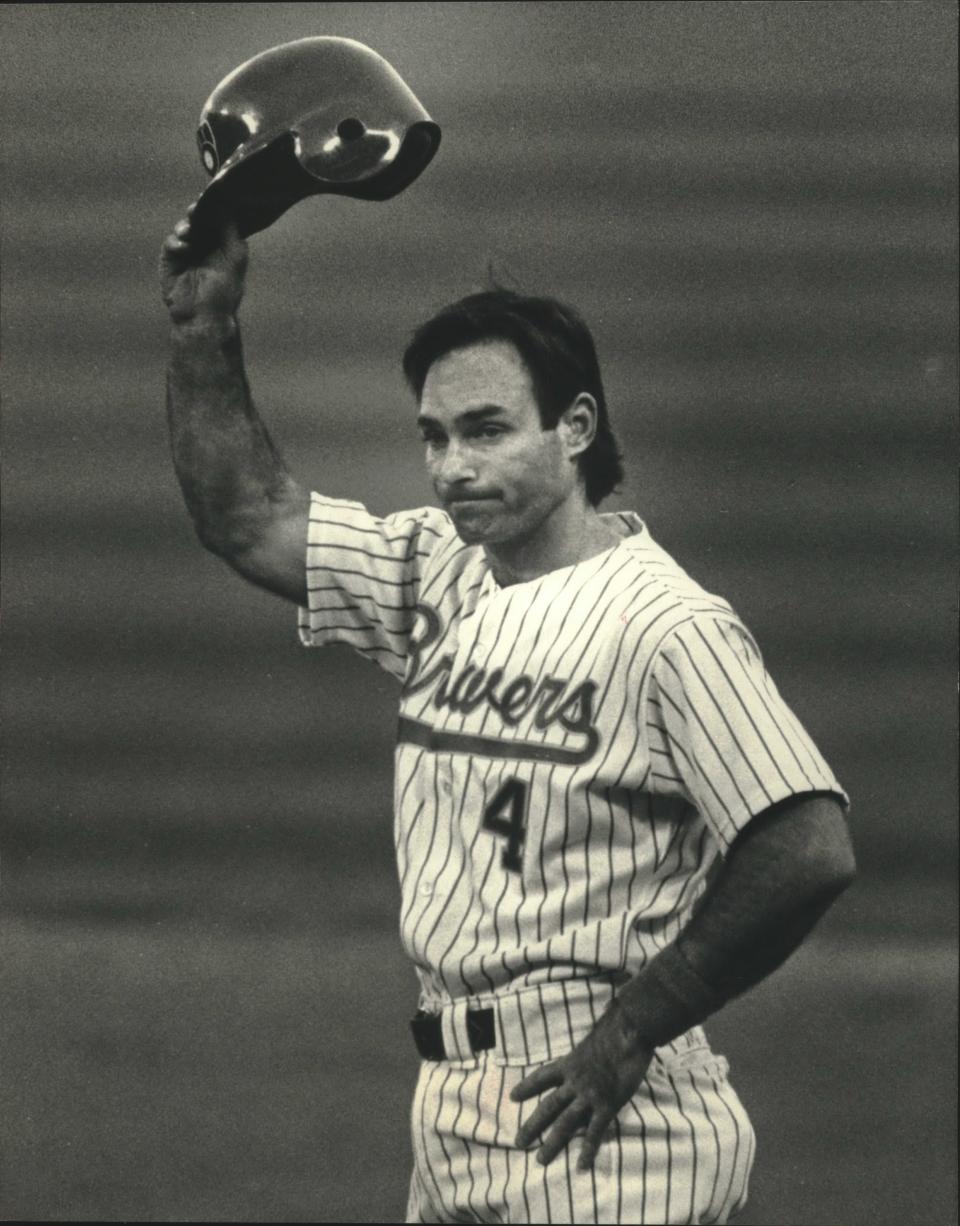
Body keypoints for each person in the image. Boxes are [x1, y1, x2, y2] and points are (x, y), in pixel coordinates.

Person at [159, 212, 855, 1225]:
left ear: (574, 429)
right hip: (450, 1112)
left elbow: (807, 842)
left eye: (486, 429)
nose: (450, 469)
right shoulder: (439, 569)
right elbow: (248, 514)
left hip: (603, 1116)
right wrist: (203, 324)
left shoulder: (666, 625)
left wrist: (636, 1026)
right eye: (434, 437)